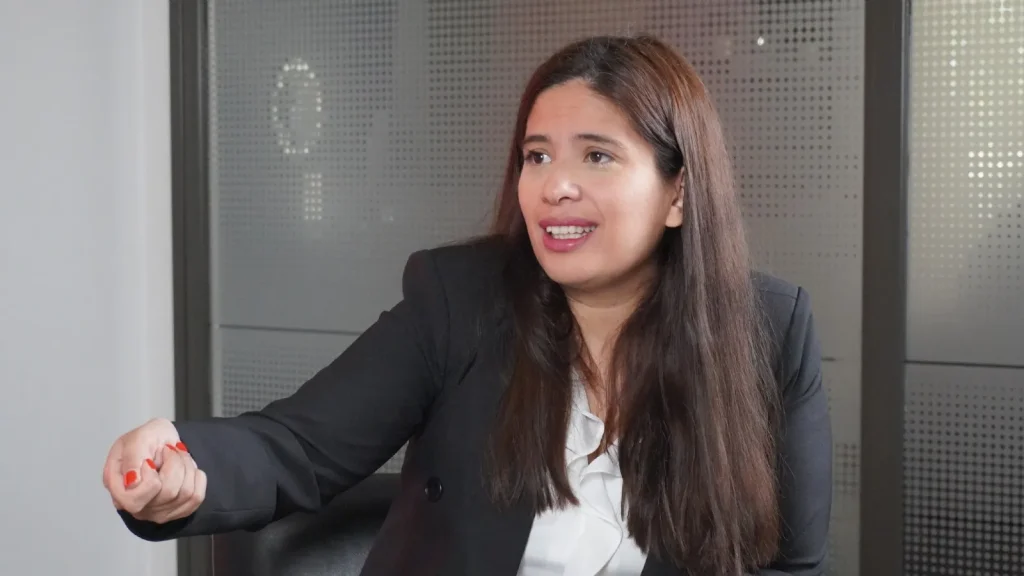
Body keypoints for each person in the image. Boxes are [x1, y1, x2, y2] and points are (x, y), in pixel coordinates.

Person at [103, 35, 831, 576]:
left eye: (597, 156)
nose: (555, 186)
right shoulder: (460, 299)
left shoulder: (769, 333)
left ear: (677, 194)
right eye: (537, 156)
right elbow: (296, 447)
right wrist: (184, 463)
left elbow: (788, 564)